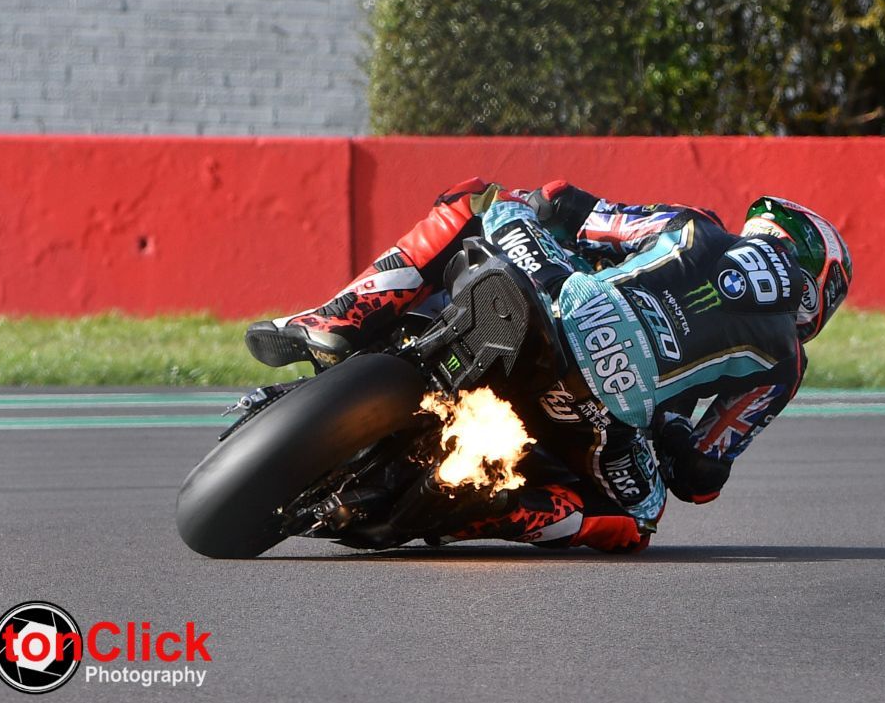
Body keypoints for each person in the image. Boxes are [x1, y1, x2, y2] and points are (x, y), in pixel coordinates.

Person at [244, 178, 851, 554]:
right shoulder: (785, 363)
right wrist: (667, 430)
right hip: (592, 410)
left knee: (478, 200)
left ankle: (336, 319)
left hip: (553, 298)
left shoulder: (691, 225)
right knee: (638, 520)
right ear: (818, 286)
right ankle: (481, 511)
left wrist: (542, 225)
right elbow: (700, 473)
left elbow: (570, 206)